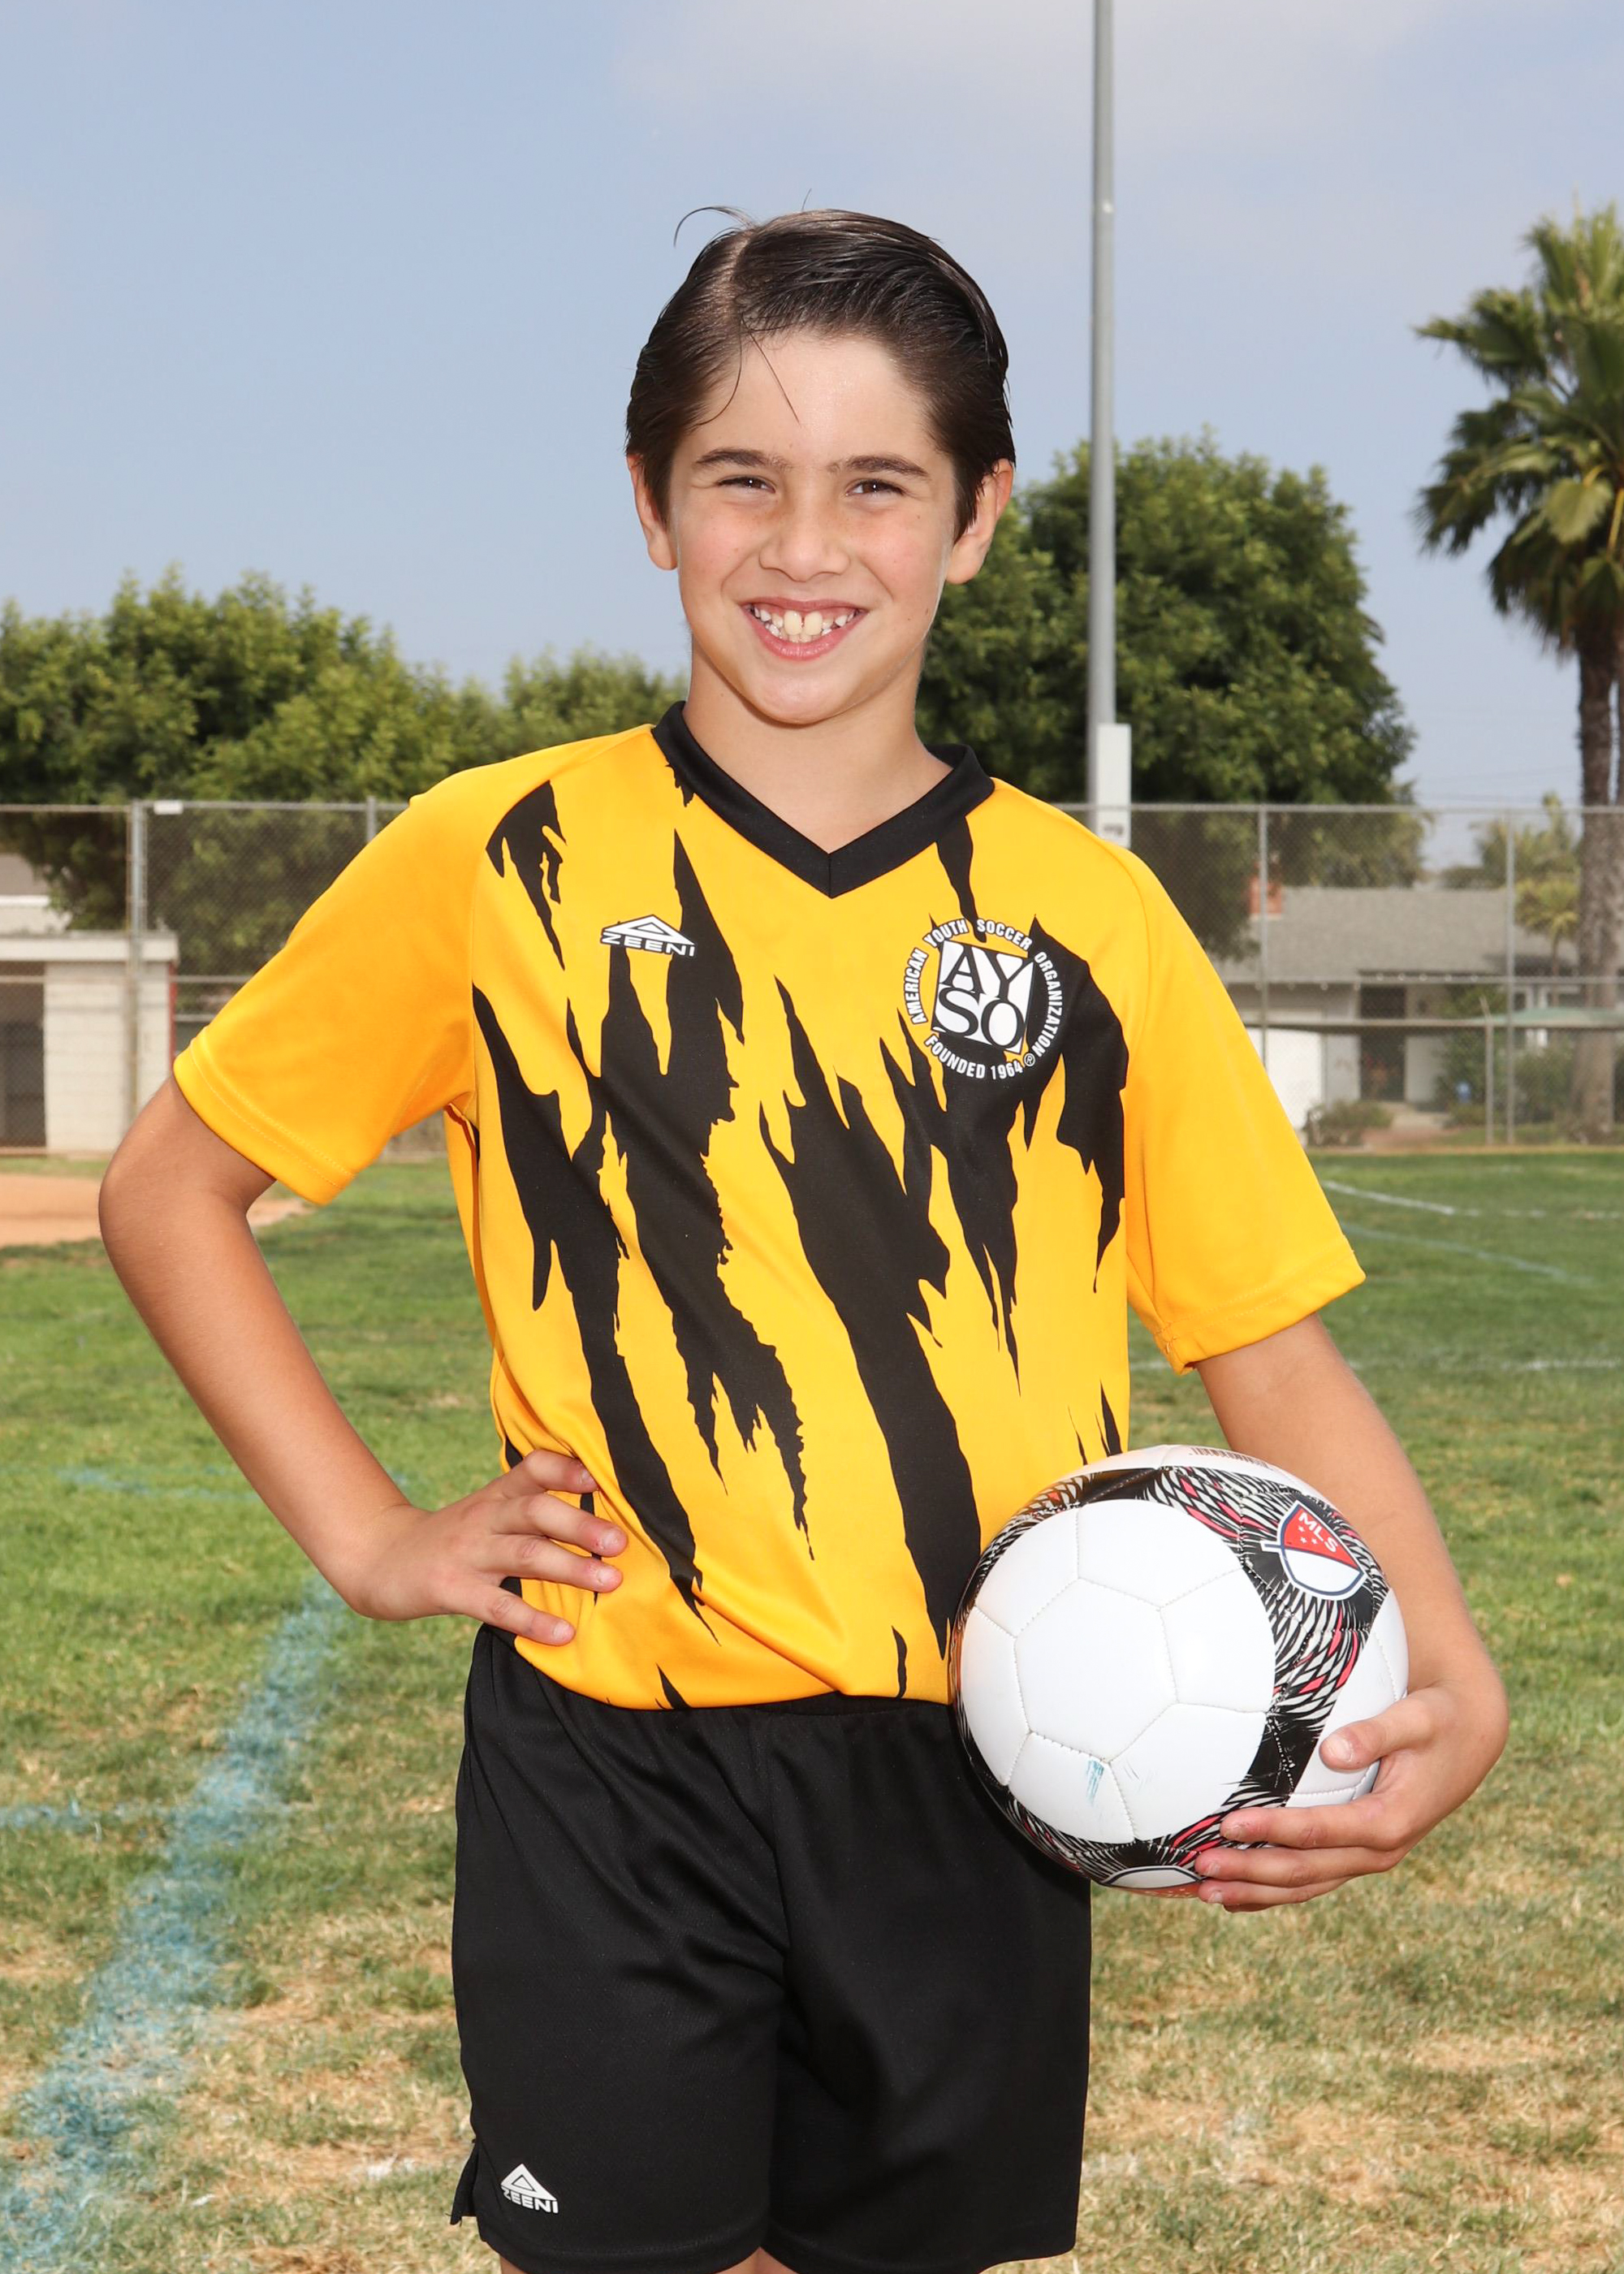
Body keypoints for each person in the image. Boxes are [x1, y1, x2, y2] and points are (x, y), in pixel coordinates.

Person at [99, 209, 1509, 2274]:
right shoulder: (502, 856)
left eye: (876, 485)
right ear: (650, 503)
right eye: (741, 478)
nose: (802, 545)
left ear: (978, 516)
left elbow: (1267, 1343)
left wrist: (1448, 1666)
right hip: (615, 1754)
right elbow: (169, 1185)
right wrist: (370, 1534)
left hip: (986, 1757)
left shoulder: (1090, 918)